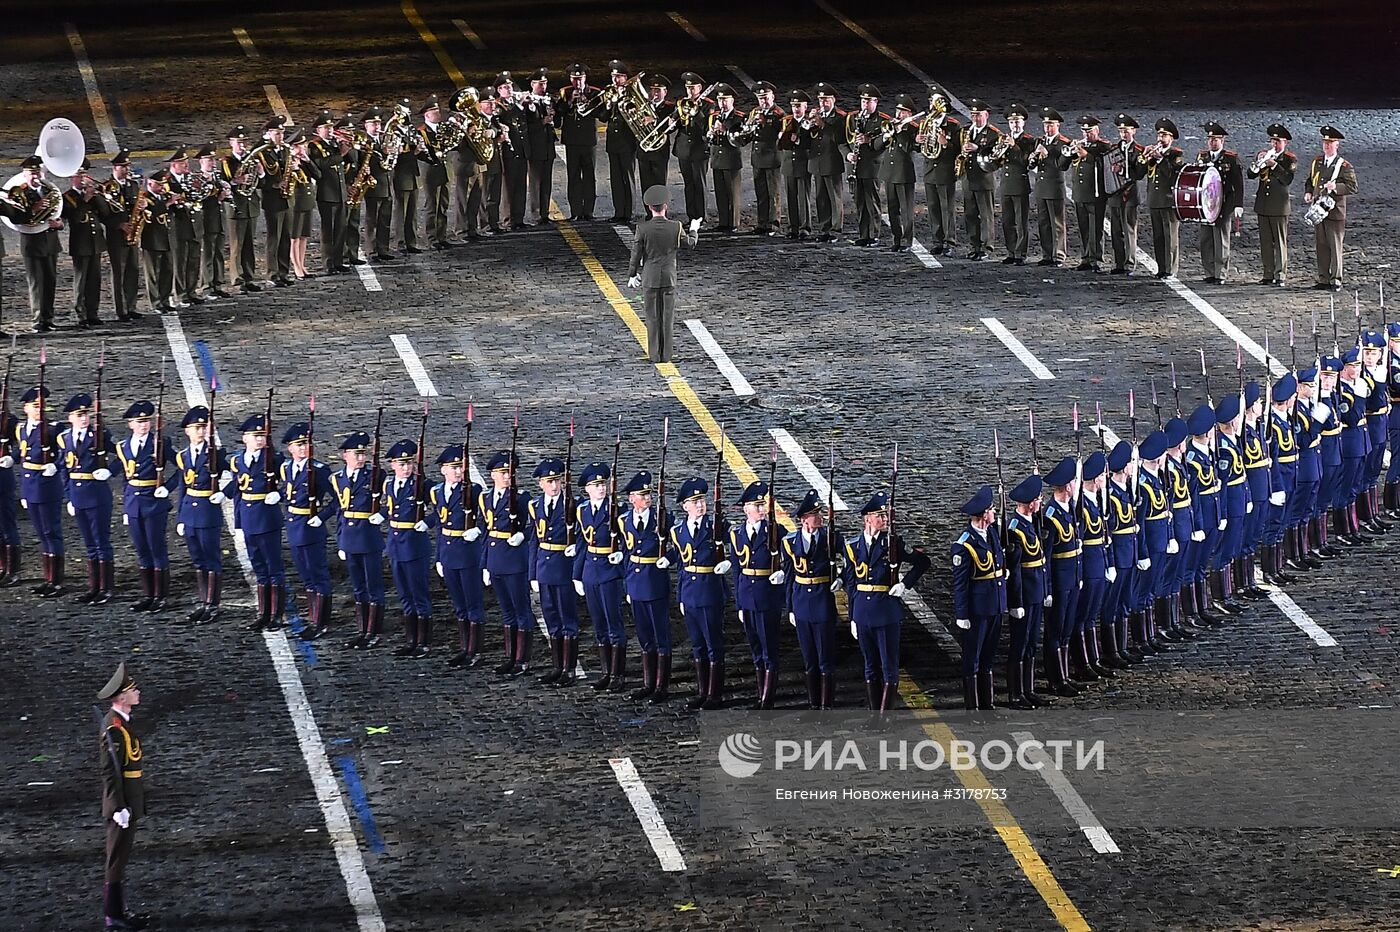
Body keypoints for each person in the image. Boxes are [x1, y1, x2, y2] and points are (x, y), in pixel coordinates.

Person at [843, 489, 930, 714]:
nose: (884, 520)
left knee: (889, 665)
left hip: (886, 611)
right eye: (879, 516)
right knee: (870, 666)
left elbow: (922, 562)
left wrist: (905, 584)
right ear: (867, 519)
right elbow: (851, 583)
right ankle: (875, 712)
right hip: (862, 610)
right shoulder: (852, 546)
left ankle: (885, 715)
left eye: (885, 516)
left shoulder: (893, 544)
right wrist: (853, 615)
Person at [663, 476, 731, 710]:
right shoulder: (678, 531)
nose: (700, 505)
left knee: (713, 643)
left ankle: (715, 693)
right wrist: (681, 595)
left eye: (702, 500)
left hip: (710, 591)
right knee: (698, 644)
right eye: (695, 501)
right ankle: (703, 691)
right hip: (690, 593)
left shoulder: (716, 527)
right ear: (685, 506)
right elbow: (682, 563)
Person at [97, 662, 150, 932]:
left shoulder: (122, 723)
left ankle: (119, 911)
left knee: (120, 858)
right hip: (122, 804)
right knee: (116, 861)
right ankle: (113, 915)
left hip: (129, 800)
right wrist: (119, 806)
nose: (137, 692)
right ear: (121, 698)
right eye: (132, 690)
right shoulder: (115, 729)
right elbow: (110, 772)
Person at [427, 444, 486, 667]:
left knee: (473, 603)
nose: (458, 472)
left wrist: (478, 530)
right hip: (449, 553)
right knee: (459, 604)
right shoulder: (437, 492)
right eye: (453, 468)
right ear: (443, 470)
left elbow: (485, 518)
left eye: (461, 467)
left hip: (468, 553)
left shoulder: (474, 491)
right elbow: (440, 525)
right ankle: (464, 647)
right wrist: (439, 557)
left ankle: (475, 651)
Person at [626, 184, 700, 364]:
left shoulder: (642, 229)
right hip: (669, 277)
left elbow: (635, 254)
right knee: (667, 317)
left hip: (650, 277)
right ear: (666, 206)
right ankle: (666, 355)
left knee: (652, 317)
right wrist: (694, 229)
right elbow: (689, 243)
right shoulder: (675, 227)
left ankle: (654, 354)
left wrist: (632, 274)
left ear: (649, 207)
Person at [729, 480, 786, 709]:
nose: (761, 510)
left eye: (763, 505)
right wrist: (739, 603)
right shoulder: (737, 534)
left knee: (769, 646)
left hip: (767, 596)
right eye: (757, 505)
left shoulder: (777, 531)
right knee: (755, 647)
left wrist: (782, 575)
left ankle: (768, 698)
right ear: (746, 509)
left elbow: (790, 561)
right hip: (747, 596)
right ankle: (760, 691)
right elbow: (736, 570)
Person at [781, 489, 839, 710]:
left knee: (825, 657)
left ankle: (827, 702)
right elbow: (789, 577)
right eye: (815, 514)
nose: (821, 517)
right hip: (802, 603)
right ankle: (813, 701)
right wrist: (791, 608)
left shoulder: (830, 538)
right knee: (809, 658)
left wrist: (841, 578)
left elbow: (854, 561)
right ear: (804, 519)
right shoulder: (789, 542)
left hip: (823, 601)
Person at [949, 485, 1006, 711]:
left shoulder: (991, 533)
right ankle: (972, 706)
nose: (995, 513)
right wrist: (962, 614)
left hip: (995, 605)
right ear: (983, 515)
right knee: (972, 658)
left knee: (988, 656)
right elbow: (960, 584)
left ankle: (987, 702)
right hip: (978, 609)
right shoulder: (963, 545)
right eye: (992, 509)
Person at [573, 462, 629, 691]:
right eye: (595, 485)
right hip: (590, 571)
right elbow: (581, 542)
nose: (601, 488)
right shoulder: (582, 510)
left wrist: (623, 564)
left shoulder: (617, 509)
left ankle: (618, 674)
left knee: (613, 623)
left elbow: (628, 541)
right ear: (586, 489)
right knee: (599, 624)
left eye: (603, 484)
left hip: (610, 571)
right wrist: (577, 574)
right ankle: (606, 672)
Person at [168, 405, 227, 623]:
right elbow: (183, 487)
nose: (200, 432)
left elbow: (236, 474)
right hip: (191, 514)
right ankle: (203, 601)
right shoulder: (183, 456)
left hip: (207, 512)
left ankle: (213, 604)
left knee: (211, 558)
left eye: (203, 427)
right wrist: (181, 517)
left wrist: (223, 493)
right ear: (187, 431)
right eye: (196, 428)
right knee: (198, 559)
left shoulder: (215, 454)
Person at [529, 456, 583, 684]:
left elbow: (582, 536)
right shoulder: (535, 506)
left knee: (567, 618)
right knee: (551, 617)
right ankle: (557, 666)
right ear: (540, 483)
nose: (553, 486)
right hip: (544, 567)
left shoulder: (573, 505)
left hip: (563, 567)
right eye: (549, 481)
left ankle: (569, 669)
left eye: (557, 481)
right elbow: (534, 539)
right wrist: (532, 573)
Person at [114, 400, 172, 612]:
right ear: (130, 424)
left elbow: (183, 466)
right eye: (139, 422)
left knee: (157, 548)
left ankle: (161, 596)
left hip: (154, 502)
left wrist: (167, 487)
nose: (143, 425)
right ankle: (148, 594)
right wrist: (125, 507)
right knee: (141, 550)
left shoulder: (161, 443)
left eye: (146, 421)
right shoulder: (123, 446)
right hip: (133, 503)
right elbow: (125, 478)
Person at [331, 431, 387, 647]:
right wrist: (340, 539)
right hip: (350, 538)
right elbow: (340, 511)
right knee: (358, 586)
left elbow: (392, 500)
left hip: (369, 537)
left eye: (363, 454)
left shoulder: (375, 475)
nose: (361, 458)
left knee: (374, 585)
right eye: (356, 454)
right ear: (345, 455)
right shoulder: (337, 478)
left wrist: (382, 513)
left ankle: (374, 631)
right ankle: (362, 628)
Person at [58, 392, 115, 604]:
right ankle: (94, 586)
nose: (84, 418)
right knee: (89, 543)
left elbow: (123, 453)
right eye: (79, 415)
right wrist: (69, 496)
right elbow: (65, 468)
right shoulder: (64, 438)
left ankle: (106, 588)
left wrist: (110, 471)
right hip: (78, 494)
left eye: (86, 414)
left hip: (97, 494)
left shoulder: (99, 435)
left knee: (101, 541)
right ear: (70, 418)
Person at [618, 470, 670, 699]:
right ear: (631, 499)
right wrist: (626, 584)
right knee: (644, 635)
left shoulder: (662, 518)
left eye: (649, 494)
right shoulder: (623, 520)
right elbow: (625, 551)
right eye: (642, 495)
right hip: (636, 582)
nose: (647, 499)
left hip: (655, 581)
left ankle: (661, 686)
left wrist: (668, 558)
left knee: (662, 635)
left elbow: (677, 545)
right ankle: (648, 683)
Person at [279, 420, 334, 638]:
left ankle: (321, 622)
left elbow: (338, 499)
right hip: (294, 526)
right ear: (290, 448)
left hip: (311, 528)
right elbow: (289, 493)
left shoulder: (319, 470)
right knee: (305, 574)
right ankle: (312, 617)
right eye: (298, 445)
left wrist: (321, 517)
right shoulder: (286, 468)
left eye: (306, 444)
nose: (303, 448)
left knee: (317, 574)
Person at [481, 450, 533, 675]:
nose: (507, 476)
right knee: (506, 611)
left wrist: (523, 535)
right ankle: (510, 656)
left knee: (522, 610)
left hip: (514, 560)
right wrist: (484, 563)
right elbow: (485, 531)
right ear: (493, 475)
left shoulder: (521, 497)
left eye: (510, 472)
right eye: (502, 472)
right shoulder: (485, 497)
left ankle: (522, 659)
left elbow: (532, 525)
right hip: (495, 559)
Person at [383, 439, 434, 657]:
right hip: (395, 544)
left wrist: (428, 523)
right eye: (401, 464)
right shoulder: (389, 485)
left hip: (414, 545)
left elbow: (442, 510)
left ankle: (423, 642)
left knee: (419, 594)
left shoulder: (422, 484)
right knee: (404, 594)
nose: (406, 468)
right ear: (392, 465)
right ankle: (410, 639)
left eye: (409, 464)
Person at [1003, 474, 1049, 709]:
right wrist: (1016, 602)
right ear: (1031, 503)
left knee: (1031, 642)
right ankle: (1015, 693)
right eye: (1039, 499)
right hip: (1025, 595)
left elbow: (1041, 560)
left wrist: (1046, 589)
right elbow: (1015, 570)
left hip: (1037, 591)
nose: (1042, 502)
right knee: (1019, 645)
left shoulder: (1032, 523)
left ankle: (1028, 689)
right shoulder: (1015, 530)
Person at [1042, 457, 1083, 700]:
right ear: (1067, 486)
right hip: (1058, 582)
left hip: (1071, 578)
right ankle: (1055, 679)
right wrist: (1047, 589)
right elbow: (1046, 558)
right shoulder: (1050, 515)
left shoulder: (1068, 508)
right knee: (1055, 631)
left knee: (1066, 628)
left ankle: (1065, 675)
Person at [17, 384, 64, 594]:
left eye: (41, 406)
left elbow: (67, 455)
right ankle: (48, 578)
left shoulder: (53, 429)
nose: (39, 409)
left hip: (46, 485)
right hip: (30, 485)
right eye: (34, 406)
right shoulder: (21, 429)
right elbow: (24, 455)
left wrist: (56, 465)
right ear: (25, 408)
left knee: (51, 531)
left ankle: (56, 580)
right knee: (41, 533)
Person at [11, 157, 64, 333]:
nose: (35, 177)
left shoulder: (49, 189)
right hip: (32, 242)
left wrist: (60, 224)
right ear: (24, 175)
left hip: (50, 242)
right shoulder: (19, 193)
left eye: (37, 173)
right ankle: (37, 319)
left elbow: (58, 212)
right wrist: (34, 209)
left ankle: (48, 318)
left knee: (50, 281)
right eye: (32, 173)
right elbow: (15, 217)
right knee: (36, 283)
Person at [1304, 125, 1358, 292]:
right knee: (1321, 245)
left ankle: (1336, 278)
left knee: (1335, 246)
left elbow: (1352, 187)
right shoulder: (1317, 162)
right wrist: (1308, 192)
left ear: (1337, 145)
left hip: (1335, 211)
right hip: (1318, 210)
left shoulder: (1344, 166)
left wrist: (1335, 187)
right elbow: (1310, 180)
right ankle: (1323, 278)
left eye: (1330, 143)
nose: (1327, 146)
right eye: (1325, 143)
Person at [60, 159, 110, 328]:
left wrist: (97, 196)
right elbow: (75, 217)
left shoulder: (92, 195)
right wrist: (86, 199)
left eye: (84, 174)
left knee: (94, 280)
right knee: (80, 281)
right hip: (80, 244)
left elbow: (104, 213)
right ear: (72, 178)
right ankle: (81, 314)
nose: (82, 178)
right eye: (78, 175)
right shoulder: (67, 197)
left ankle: (93, 312)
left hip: (96, 243)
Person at [1135, 118, 1185, 279]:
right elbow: (1138, 174)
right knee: (1158, 236)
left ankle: (1171, 269)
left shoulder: (1175, 154)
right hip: (1154, 200)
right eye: (1159, 135)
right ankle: (1161, 267)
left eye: (1164, 136)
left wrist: (1160, 160)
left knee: (1170, 236)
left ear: (1171, 138)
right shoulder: (1151, 153)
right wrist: (1144, 158)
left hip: (1169, 201)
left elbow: (1173, 175)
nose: (1160, 139)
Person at [1060, 115, 1110, 272]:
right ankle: (1085, 258)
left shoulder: (1104, 146)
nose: (1087, 135)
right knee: (1083, 227)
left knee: (1096, 229)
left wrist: (1086, 156)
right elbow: (1062, 165)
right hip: (1079, 194)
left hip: (1096, 193)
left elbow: (1105, 165)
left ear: (1097, 130)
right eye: (1084, 132)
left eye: (1090, 131)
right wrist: (1069, 151)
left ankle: (1096, 259)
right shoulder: (1079, 145)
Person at [1247, 123, 1296, 286]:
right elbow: (1251, 174)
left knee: (1279, 241)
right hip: (1263, 204)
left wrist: (1274, 165)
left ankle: (1280, 274)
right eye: (1273, 141)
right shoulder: (1264, 155)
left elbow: (1287, 179)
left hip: (1279, 206)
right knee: (1265, 242)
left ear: (1285, 143)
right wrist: (1258, 162)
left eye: (1278, 142)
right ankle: (1268, 273)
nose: (1275, 145)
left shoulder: (1289, 159)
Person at [1196, 121, 1244, 284]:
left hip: (1224, 203)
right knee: (1206, 239)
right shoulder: (1203, 156)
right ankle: (1209, 271)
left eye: (1215, 139)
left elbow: (1238, 183)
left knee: (1221, 239)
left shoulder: (1230, 159)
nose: (1212, 142)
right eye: (1210, 139)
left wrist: (1238, 204)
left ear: (1222, 140)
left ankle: (1221, 273)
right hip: (1206, 204)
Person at [220, 126, 265, 294]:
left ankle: (249, 276)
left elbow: (260, 184)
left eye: (244, 142)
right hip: (236, 207)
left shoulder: (252, 159)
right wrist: (237, 180)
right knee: (236, 245)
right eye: (238, 143)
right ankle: (236, 278)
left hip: (250, 206)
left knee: (248, 245)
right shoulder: (227, 162)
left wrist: (260, 173)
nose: (242, 146)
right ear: (231, 143)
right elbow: (223, 182)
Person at [917, 87, 961, 255]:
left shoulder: (953, 125)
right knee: (933, 207)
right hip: (929, 170)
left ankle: (949, 241)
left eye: (936, 102)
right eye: (931, 102)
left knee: (946, 208)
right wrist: (918, 140)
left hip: (945, 171)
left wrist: (944, 143)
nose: (932, 105)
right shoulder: (925, 123)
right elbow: (921, 148)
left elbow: (958, 149)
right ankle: (937, 241)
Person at [103, 149, 143, 321]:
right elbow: (103, 214)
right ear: (114, 168)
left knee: (132, 271)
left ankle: (132, 305)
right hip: (116, 236)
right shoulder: (106, 187)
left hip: (132, 233)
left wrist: (141, 208)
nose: (126, 170)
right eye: (122, 167)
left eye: (127, 166)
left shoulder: (133, 185)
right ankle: (121, 310)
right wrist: (118, 225)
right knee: (118, 272)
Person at [558, 63, 600, 222]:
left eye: (580, 79)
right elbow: (560, 112)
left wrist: (587, 102)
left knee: (589, 176)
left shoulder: (594, 93)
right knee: (573, 176)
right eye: (574, 79)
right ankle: (575, 211)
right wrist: (570, 101)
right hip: (572, 141)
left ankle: (588, 211)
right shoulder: (565, 92)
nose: (577, 83)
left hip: (588, 140)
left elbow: (601, 113)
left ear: (585, 78)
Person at [740, 81, 783, 235]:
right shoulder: (755, 112)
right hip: (757, 157)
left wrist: (765, 124)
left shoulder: (778, 114)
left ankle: (773, 224)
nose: (763, 101)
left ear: (772, 96)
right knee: (761, 192)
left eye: (765, 97)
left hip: (771, 157)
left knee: (773, 193)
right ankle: (762, 222)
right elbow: (751, 132)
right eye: (760, 98)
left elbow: (778, 135)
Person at [876, 94, 917, 252]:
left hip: (904, 173)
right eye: (898, 111)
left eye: (903, 112)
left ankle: (907, 240)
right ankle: (896, 238)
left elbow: (910, 149)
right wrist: (888, 135)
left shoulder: (912, 129)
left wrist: (900, 133)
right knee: (892, 209)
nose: (898, 115)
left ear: (909, 114)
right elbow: (879, 145)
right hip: (889, 173)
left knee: (906, 210)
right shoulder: (889, 126)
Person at [844, 84, 884, 248]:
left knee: (872, 201)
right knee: (859, 201)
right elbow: (843, 140)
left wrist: (869, 141)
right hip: (855, 166)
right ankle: (863, 234)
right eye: (863, 101)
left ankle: (874, 234)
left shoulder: (882, 120)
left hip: (872, 166)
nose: (865, 105)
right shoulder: (853, 118)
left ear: (876, 102)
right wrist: (848, 154)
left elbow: (884, 144)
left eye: (868, 101)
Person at [959, 98, 999, 260]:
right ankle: (974, 245)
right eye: (973, 115)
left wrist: (979, 148)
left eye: (979, 115)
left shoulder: (993, 134)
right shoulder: (966, 131)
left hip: (984, 178)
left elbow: (996, 157)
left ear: (986, 115)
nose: (975, 118)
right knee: (970, 214)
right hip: (968, 178)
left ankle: (986, 246)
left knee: (986, 214)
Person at [309, 112, 349, 273]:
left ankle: (338, 260)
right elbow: (321, 165)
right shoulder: (315, 146)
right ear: (318, 130)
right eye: (326, 128)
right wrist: (341, 154)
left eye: (331, 127)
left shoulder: (333, 143)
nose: (329, 130)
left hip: (340, 192)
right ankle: (328, 262)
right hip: (326, 193)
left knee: (340, 228)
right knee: (328, 230)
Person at [164, 146, 203, 307]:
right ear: (173, 164)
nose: (186, 165)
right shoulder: (167, 182)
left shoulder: (191, 178)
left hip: (193, 224)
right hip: (178, 226)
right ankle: (180, 293)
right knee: (180, 260)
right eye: (182, 163)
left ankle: (191, 290)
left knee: (194, 259)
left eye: (186, 162)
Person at [1031, 107, 1070, 266]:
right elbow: (1033, 165)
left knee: (1057, 223)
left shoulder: (1063, 143)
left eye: (1051, 125)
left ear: (1058, 126)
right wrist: (1033, 157)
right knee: (1044, 223)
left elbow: (1062, 166)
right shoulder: (1039, 141)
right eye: (1045, 125)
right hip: (1041, 187)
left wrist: (1047, 154)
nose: (1047, 128)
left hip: (1054, 187)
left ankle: (1059, 254)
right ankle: (1047, 254)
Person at [673, 73, 713, 226]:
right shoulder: (682, 103)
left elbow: (705, 127)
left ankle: (701, 217)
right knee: (688, 184)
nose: (690, 90)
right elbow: (676, 121)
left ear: (700, 88)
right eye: (687, 87)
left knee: (699, 184)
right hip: (684, 149)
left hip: (699, 149)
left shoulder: (708, 105)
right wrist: (672, 121)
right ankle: (691, 216)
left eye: (693, 87)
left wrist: (697, 113)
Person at [996, 103, 1034, 265]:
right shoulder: (1003, 139)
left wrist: (1014, 147)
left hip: (1019, 185)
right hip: (1005, 185)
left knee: (1021, 222)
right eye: (1012, 122)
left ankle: (1020, 253)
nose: (1015, 124)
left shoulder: (1029, 140)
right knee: (1007, 221)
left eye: (1018, 121)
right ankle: (1011, 251)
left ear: (1023, 122)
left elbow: (1025, 162)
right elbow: (996, 160)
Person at [258, 117, 294, 287]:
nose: (280, 136)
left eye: (282, 133)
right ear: (269, 134)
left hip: (286, 198)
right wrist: (274, 184)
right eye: (277, 133)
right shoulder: (262, 151)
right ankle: (272, 274)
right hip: (272, 199)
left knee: (285, 237)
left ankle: (283, 272)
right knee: (274, 237)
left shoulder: (285, 150)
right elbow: (259, 180)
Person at [809, 83, 847, 242]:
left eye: (826, 100)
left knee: (834, 197)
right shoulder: (817, 114)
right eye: (820, 100)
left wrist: (822, 124)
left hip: (832, 162)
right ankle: (824, 228)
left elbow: (839, 138)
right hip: (817, 162)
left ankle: (836, 230)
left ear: (833, 100)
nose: (823, 104)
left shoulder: (840, 117)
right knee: (821, 197)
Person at [1106, 114, 1143, 275]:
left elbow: (1140, 173)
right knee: (1115, 230)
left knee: (1129, 230)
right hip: (1115, 193)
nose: (1123, 134)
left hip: (1130, 194)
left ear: (1133, 131)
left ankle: (1130, 263)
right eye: (1121, 131)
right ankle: (1119, 262)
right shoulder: (1113, 149)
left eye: (1126, 131)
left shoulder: (1139, 151)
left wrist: (1121, 170)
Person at [603, 60, 639, 223]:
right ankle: (619, 211)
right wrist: (609, 105)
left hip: (627, 141)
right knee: (616, 179)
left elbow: (637, 116)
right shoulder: (609, 93)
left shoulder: (632, 93)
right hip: (613, 142)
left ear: (625, 78)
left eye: (619, 77)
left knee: (627, 177)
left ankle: (629, 211)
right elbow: (603, 117)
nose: (615, 80)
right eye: (613, 77)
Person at [416, 96, 454, 249]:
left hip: (444, 170)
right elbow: (421, 154)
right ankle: (432, 238)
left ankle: (442, 236)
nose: (438, 113)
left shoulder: (443, 128)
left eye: (438, 110)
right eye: (434, 111)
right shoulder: (421, 132)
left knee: (443, 205)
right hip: (430, 171)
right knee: (432, 205)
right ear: (427, 114)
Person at [194, 144, 231, 297]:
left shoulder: (217, 177)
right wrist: (217, 196)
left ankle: (218, 283)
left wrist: (226, 194)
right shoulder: (197, 179)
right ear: (201, 162)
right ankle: (207, 285)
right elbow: (199, 199)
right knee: (208, 254)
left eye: (213, 160)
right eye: (209, 160)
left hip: (219, 219)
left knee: (219, 253)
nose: (212, 163)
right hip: (207, 220)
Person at [778, 89, 815, 240]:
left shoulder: (809, 123)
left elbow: (812, 142)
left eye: (799, 106)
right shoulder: (787, 121)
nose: (796, 109)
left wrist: (798, 140)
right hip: (788, 163)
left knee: (803, 198)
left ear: (805, 107)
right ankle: (792, 227)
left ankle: (805, 227)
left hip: (802, 162)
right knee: (791, 197)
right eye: (794, 106)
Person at [707, 84, 744, 233]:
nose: (723, 103)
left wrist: (725, 129)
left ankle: (733, 222)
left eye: (725, 100)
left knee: (732, 193)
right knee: (720, 192)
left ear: (732, 100)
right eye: (720, 99)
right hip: (717, 158)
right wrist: (710, 134)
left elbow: (741, 138)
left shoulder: (739, 117)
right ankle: (723, 221)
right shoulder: (714, 116)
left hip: (731, 159)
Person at [388, 99, 422, 254]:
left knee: (412, 210)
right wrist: (414, 152)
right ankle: (400, 242)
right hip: (401, 174)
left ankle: (411, 241)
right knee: (401, 209)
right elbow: (396, 156)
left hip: (413, 173)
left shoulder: (411, 130)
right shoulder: (394, 132)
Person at [524, 68, 558, 225]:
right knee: (535, 183)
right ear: (532, 84)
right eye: (540, 83)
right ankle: (536, 214)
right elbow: (526, 126)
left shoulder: (549, 100)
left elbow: (555, 122)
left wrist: (553, 118)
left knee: (546, 182)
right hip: (535, 147)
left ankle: (545, 213)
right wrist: (541, 122)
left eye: (545, 83)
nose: (543, 86)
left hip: (547, 147)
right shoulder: (527, 102)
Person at [285, 131, 320, 279]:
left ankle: (302, 264)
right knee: (294, 237)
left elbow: (318, 175)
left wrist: (307, 160)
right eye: (300, 146)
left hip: (307, 201)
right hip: (296, 202)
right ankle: (297, 267)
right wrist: (296, 167)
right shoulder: (289, 162)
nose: (303, 149)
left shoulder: (304, 161)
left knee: (303, 236)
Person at [636, 74, 675, 196]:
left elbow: (670, 128)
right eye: (653, 90)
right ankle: (649, 213)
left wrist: (655, 121)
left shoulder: (670, 108)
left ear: (665, 92)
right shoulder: (643, 106)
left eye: (658, 90)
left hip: (660, 151)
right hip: (644, 151)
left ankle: (660, 212)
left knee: (659, 183)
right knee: (645, 184)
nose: (655, 94)